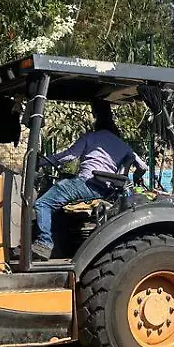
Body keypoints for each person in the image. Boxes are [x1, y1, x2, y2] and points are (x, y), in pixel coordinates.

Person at [33, 100, 147, 259]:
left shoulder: (91, 137)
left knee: (42, 203)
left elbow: (69, 156)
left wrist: (41, 162)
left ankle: (44, 243)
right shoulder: (124, 145)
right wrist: (136, 176)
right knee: (59, 205)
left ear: (97, 125)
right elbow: (143, 167)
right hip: (107, 190)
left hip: (86, 184)